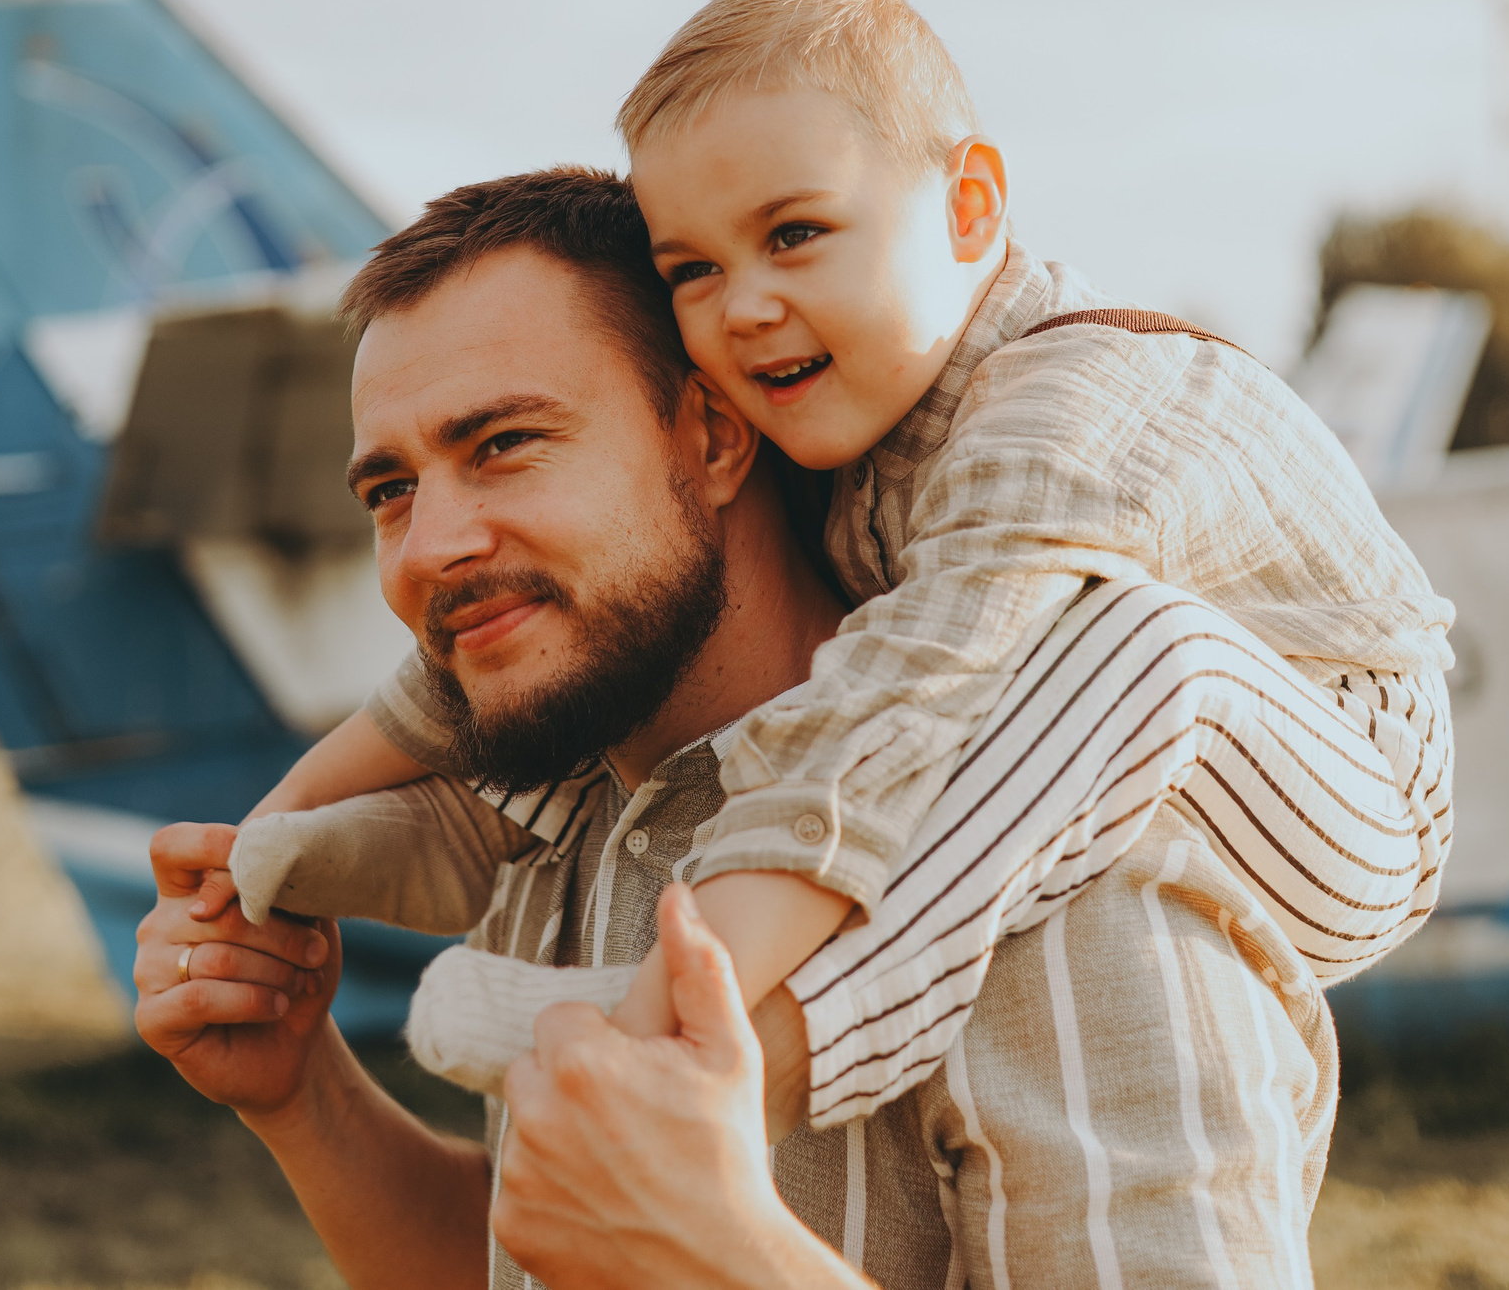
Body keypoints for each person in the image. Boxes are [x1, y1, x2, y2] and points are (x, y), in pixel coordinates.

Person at [218, 0, 1455, 1131]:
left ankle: (691, 1028)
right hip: (1116, 755)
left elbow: (920, 688)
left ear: (970, 208)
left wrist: (681, 985)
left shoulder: (1065, 407)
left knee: (1122, 646)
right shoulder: (847, 408)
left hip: (1343, 795)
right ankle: (465, 848)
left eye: (796, 233)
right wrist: (273, 821)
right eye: (692, 268)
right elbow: (479, 632)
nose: (743, 305)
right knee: (593, 616)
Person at [136, 179, 1342, 1284]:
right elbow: (547, 1253)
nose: (429, 548)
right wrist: (304, 1097)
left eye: (502, 444)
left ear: (712, 437)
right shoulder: (564, 818)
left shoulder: (1052, 848)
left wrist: (725, 1256)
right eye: (390, 490)